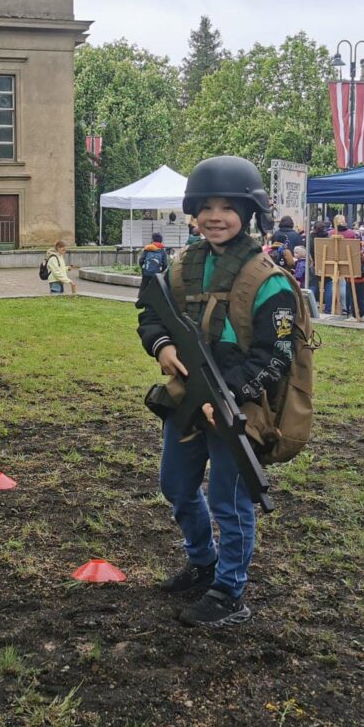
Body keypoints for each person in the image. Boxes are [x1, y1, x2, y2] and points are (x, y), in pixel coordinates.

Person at [138, 156, 296, 628]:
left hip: (238, 408)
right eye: (206, 206)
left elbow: (277, 355)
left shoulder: (268, 281)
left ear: (248, 213)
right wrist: (161, 346)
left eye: (228, 207)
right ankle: (202, 560)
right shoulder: (182, 266)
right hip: (187, 399)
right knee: (177, 486)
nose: (215, 216)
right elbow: (151, 312)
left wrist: (226, 395)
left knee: (231, 502)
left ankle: (229, 591)